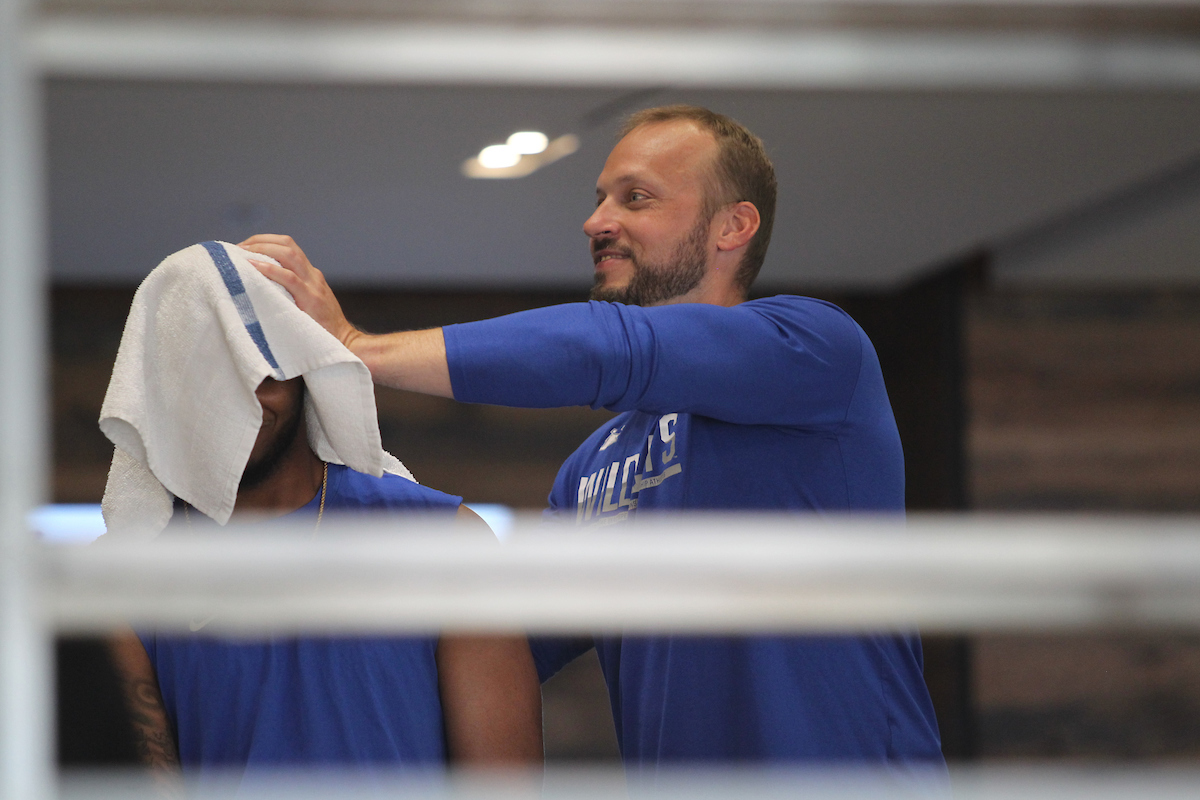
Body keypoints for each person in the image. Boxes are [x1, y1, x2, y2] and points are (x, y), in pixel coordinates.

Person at [239, 105, 944, 770]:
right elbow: (499, 644)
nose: (595, 221)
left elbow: (607, 347)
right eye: (601, 198)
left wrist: (359, 349)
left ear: (734, 226)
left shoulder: (816, 350)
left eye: (635, 199)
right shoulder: (592, 468)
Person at [101, 241, 541, 778]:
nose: (238, 400)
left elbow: (506, 782)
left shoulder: (442, 540)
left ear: (302, 366)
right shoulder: (125, 576)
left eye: (258, 368)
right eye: (208, 379)